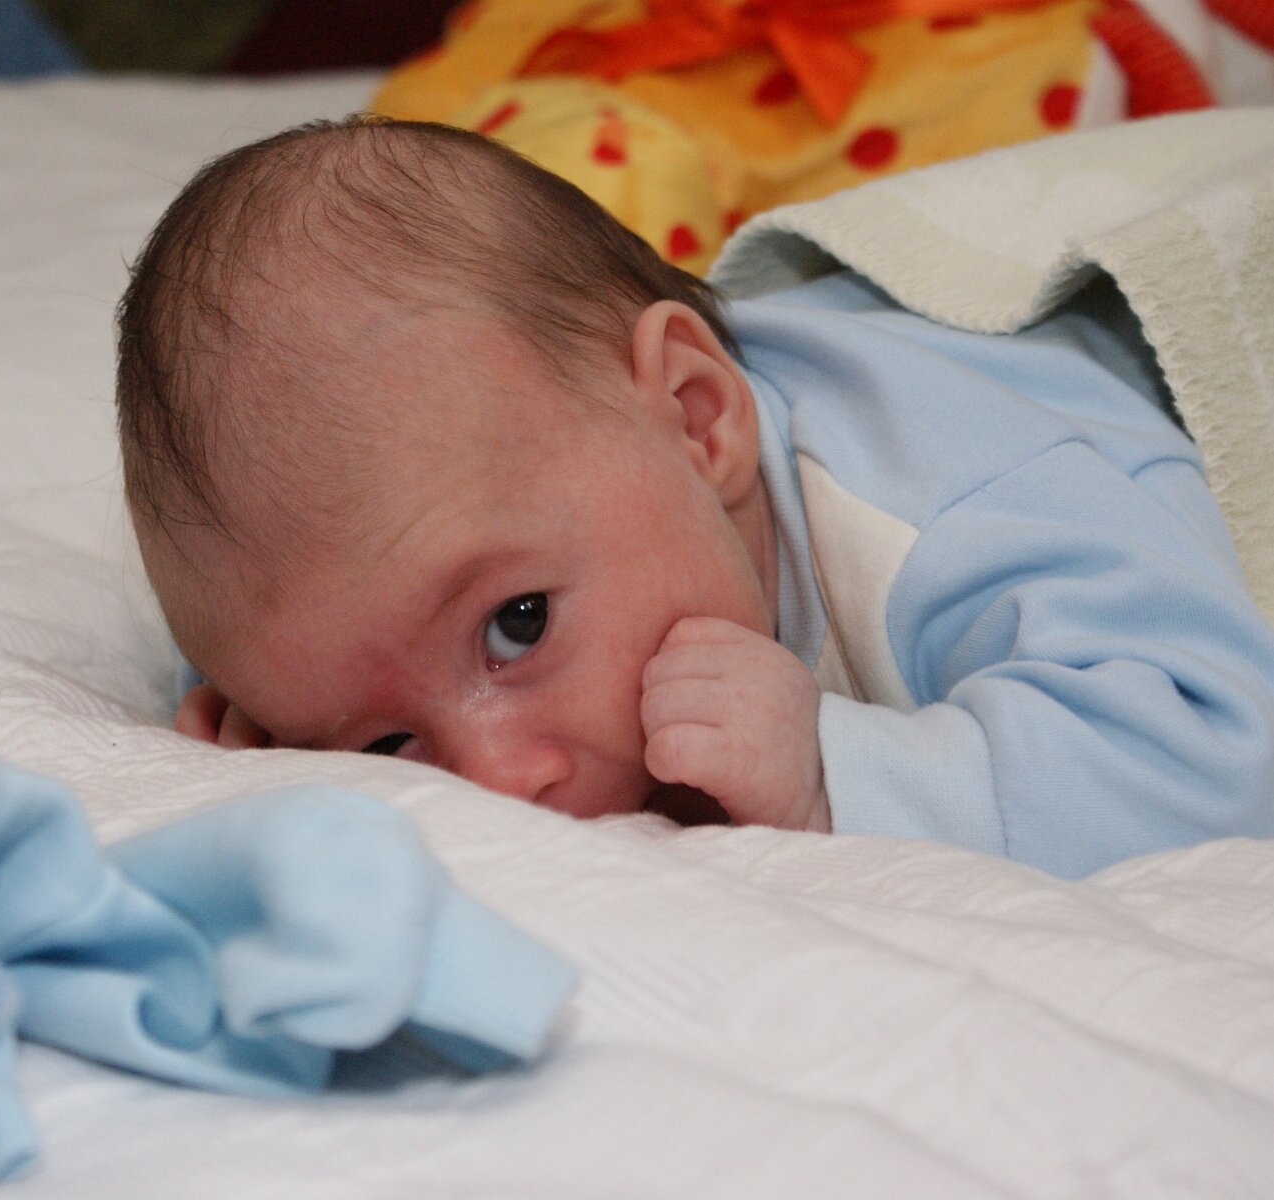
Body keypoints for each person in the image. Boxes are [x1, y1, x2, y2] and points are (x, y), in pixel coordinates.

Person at [114, 115, 1274, 878]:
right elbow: (329, 599)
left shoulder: (939, 507)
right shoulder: (511, 504)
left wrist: (836, 771)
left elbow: (1219, 757)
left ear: (696, 419)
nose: (506, 781)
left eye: (517, 624)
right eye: (391, 740)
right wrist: (283, 738)